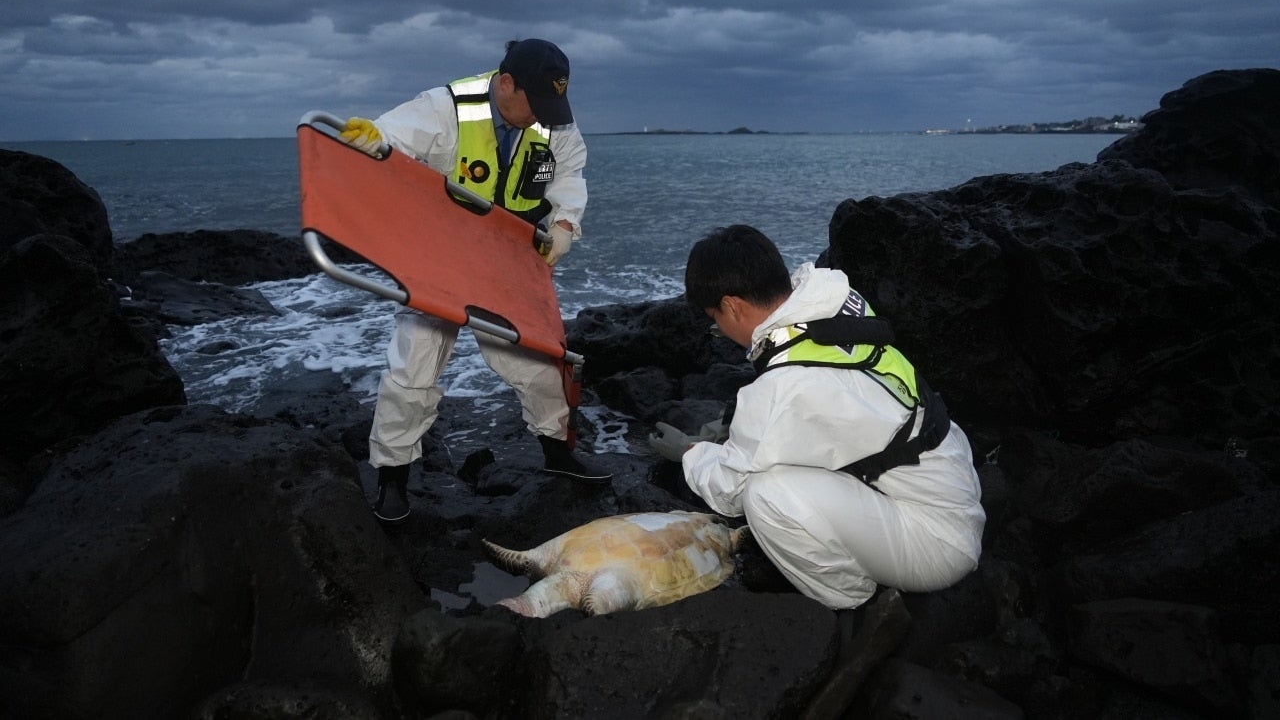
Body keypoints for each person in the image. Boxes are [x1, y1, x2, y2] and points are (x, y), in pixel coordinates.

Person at [340, 38, 611, 524]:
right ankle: (392, 479)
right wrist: (369, 141)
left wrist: (566, 224)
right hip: (440, 259)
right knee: (413, 369)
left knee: (540, 361)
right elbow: (387, 139)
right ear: (505, 83)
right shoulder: (446, 108)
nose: (542, 116)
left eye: (552, 104)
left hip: (507, 262)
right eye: (535, 103)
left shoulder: (551, 119)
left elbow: (570, 174)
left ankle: (558, 454)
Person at [653, 224, 984, 609]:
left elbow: (730, 490)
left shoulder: (784, 386)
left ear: (732, 306)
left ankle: (850, 599)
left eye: (715, 319)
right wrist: (736, 432)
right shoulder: (835, 301)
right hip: (953, 481)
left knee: (766, 495)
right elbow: (837, 407)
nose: (721, 331)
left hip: (936, 543)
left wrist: (692, 452)